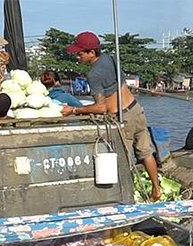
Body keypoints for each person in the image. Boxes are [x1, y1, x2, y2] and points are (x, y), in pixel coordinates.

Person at [62, 32, 161, 202]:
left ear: (91, 52)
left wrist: (74, 110)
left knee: (123, 161)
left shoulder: (93, 75)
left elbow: (102, 107)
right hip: (136, 109)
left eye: (80, 53)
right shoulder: (110, 58)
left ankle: (126, 200)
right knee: (146, 153)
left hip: (123, 119)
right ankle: (156, 190)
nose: (77, 57)